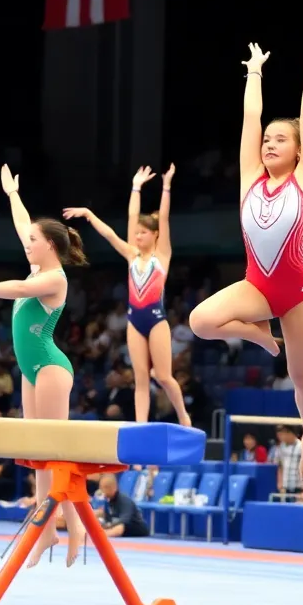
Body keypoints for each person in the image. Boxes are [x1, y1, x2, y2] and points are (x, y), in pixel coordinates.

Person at [188, 28, 303, 484]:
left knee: (301, 374)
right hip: (257, 286)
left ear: (298, 150)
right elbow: (249, 117)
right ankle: (258, 335)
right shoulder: (249, 177)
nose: (269, 144)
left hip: (299, 292)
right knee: (199, 321)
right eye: (267, 140)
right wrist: (254, 72)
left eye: (280, 139)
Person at [0, 164, 88, 566]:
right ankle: (45, 528)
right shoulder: (41, 266)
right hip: (31, 369)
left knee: (56, 452)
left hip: (50, 368)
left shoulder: (54, 279)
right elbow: (24, 225)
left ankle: (75, 524)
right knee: (37, 453)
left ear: (50, 246)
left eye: (33, 241)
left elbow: (21, 288)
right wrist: (12, 195)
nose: (26, 244)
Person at [63, 164, 191, 427]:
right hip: (135, 321)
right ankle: (140, 425)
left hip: (156, 320)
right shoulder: (131, 254)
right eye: (136, 233)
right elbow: (111, 232)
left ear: (155, 234)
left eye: (143, 233)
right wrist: (92, 211)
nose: (138, 236)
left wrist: (166, 186)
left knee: (163, 376)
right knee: (140, 379)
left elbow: (164, 218)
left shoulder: (162, 256)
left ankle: (183, 415)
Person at [96, 473, 149, 538]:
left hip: (137, 531)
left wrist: (109, 525)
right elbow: (107, 519)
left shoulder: (124, 500)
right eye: (101, 487)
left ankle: (102, 535)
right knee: (97, 514)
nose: (103, 491)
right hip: (120, 529)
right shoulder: (107, 500)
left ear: (114, 487)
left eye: (106, 487)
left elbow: (125, 520)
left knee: (120, 527)